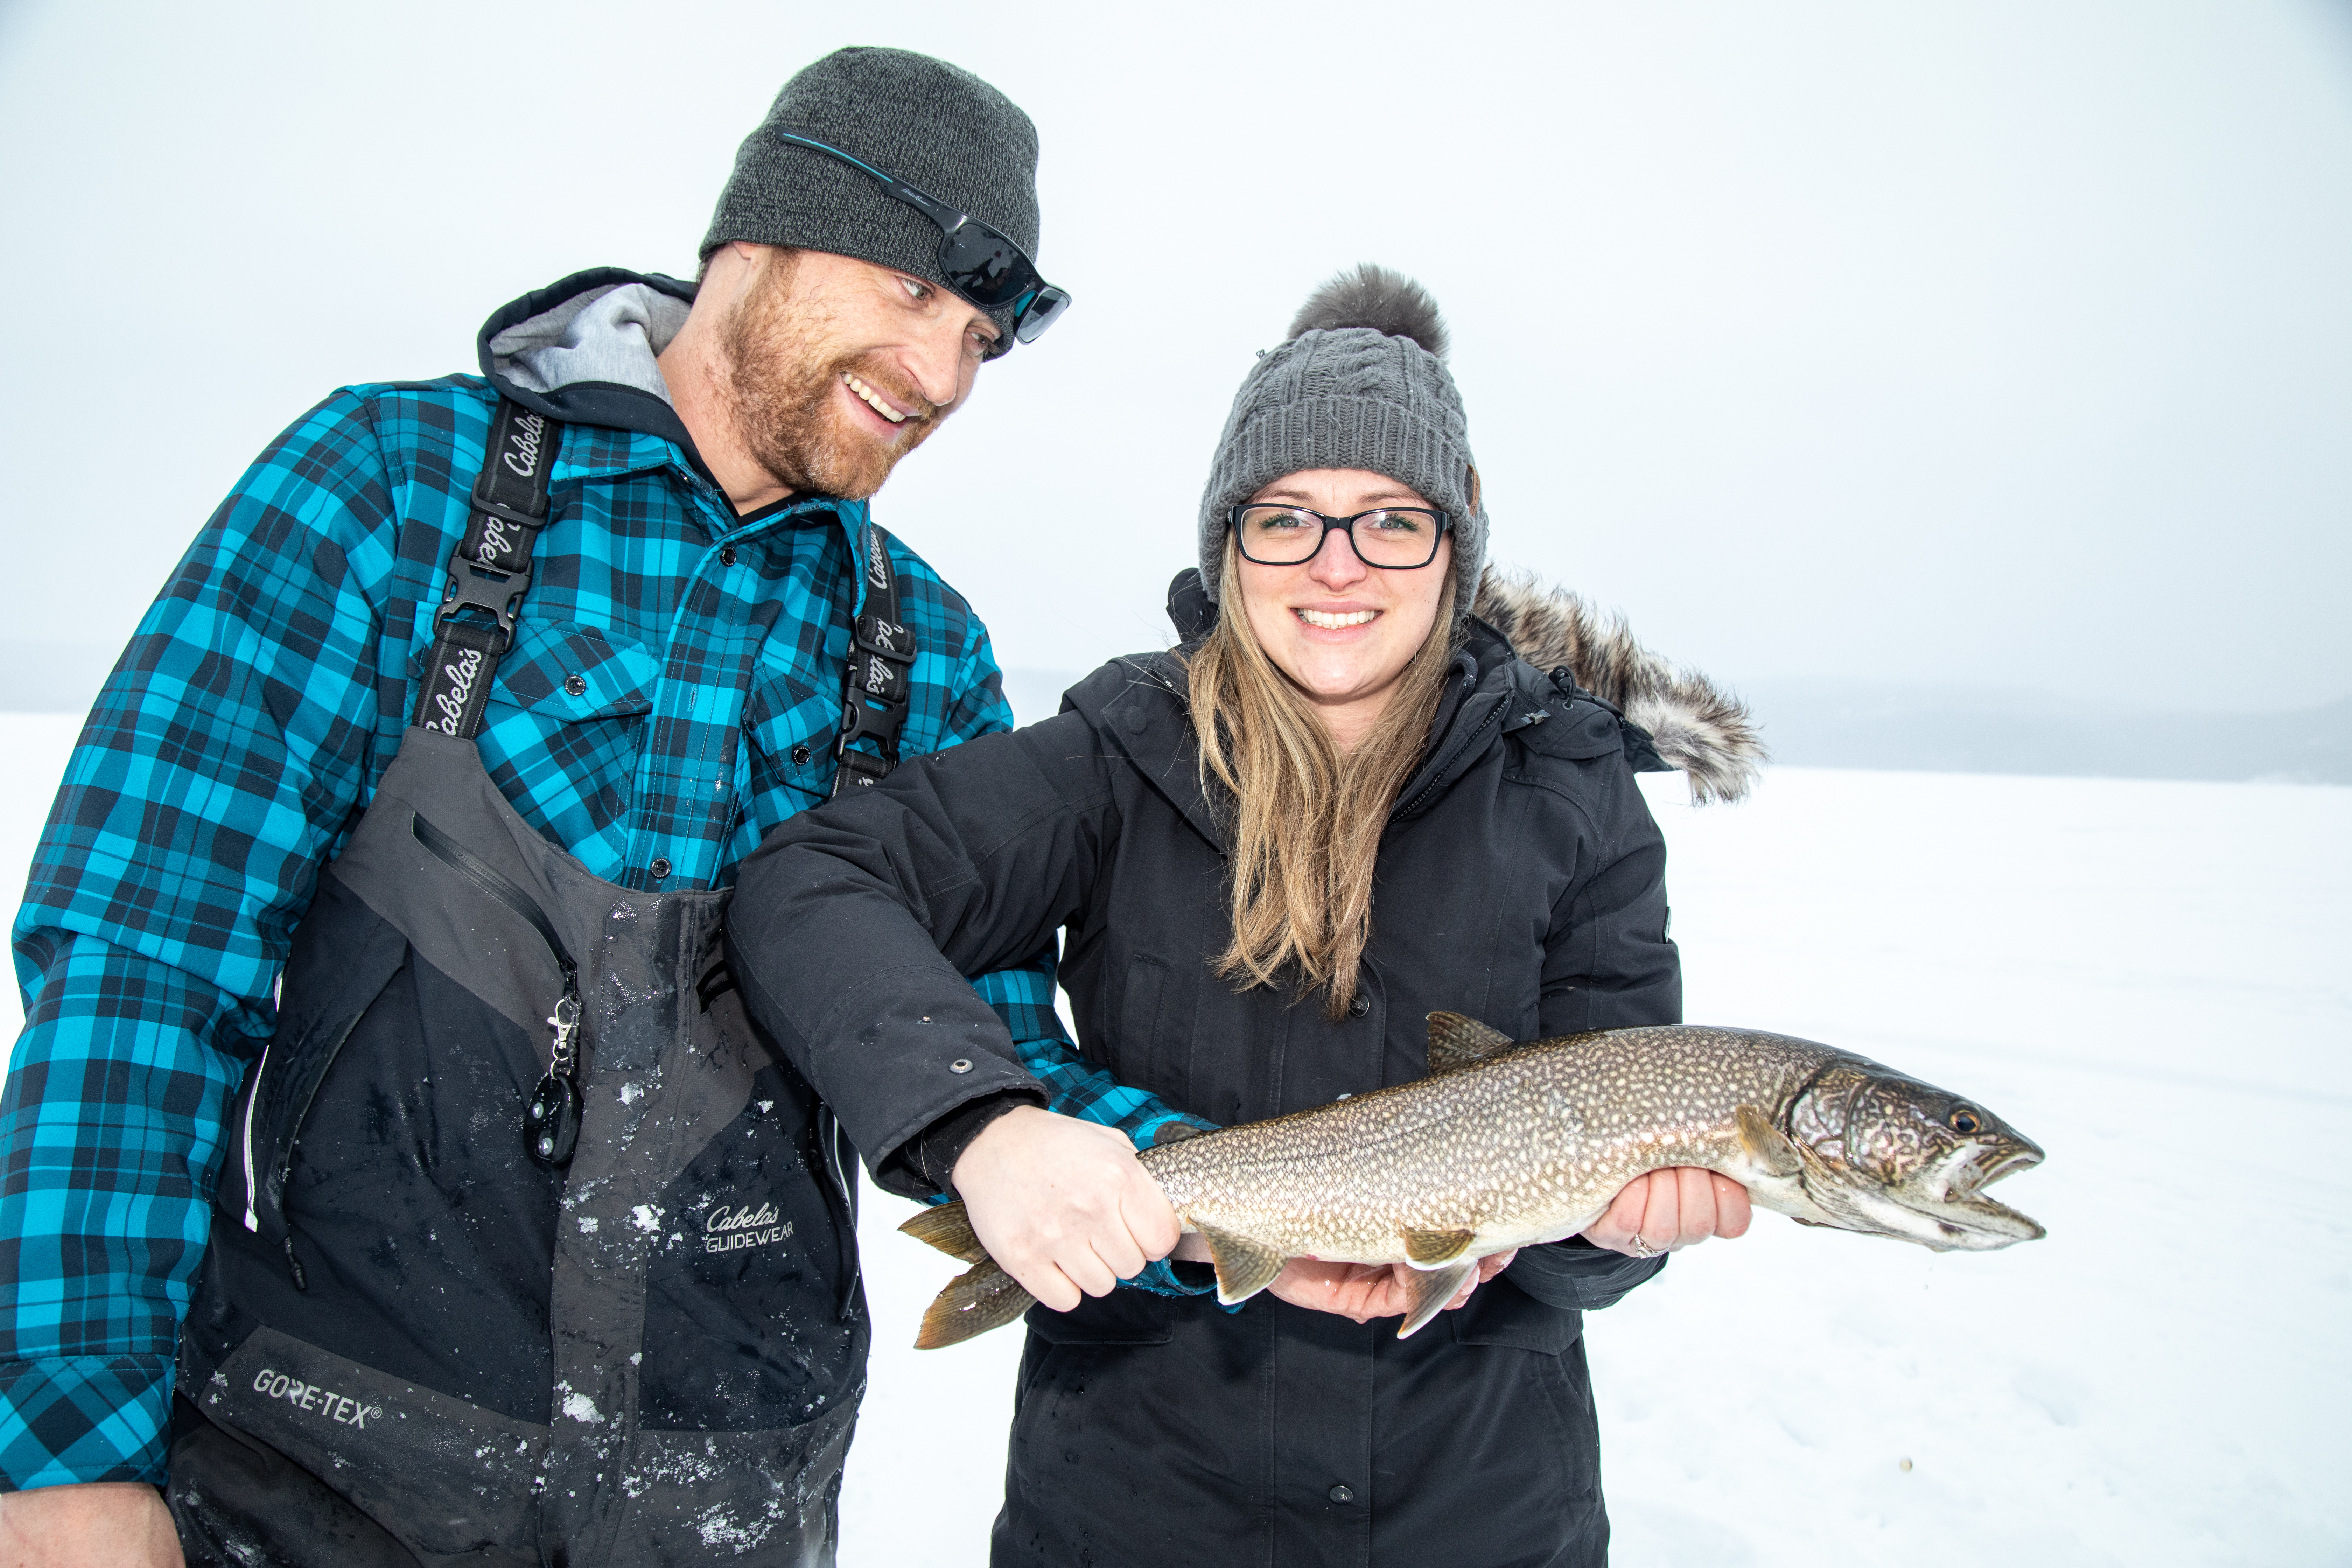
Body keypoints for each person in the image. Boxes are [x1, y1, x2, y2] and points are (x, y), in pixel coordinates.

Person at [0, 46, 1175, 1568]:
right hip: (320, 1481)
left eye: (978, 340)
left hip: (730, 1501)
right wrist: (67, 1459)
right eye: (911, 295)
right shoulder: (388, 493)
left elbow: (995, 1061)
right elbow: (145, 969)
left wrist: (1326, 1199)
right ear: (762, 234)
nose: (942, 377)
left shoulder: (924, 649)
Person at [723, 265, 1769, 1566]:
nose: (1338, 568)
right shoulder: (1118, 754)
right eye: (1287, 520)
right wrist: (979, 1124)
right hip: (1133, 1511)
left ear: (1457, 546)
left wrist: (1613, 1237)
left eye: (1390, 520)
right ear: (1228, 545)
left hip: (1480, 1516)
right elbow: (809, 885)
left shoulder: (1574, 794)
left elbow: (1582, 1236)